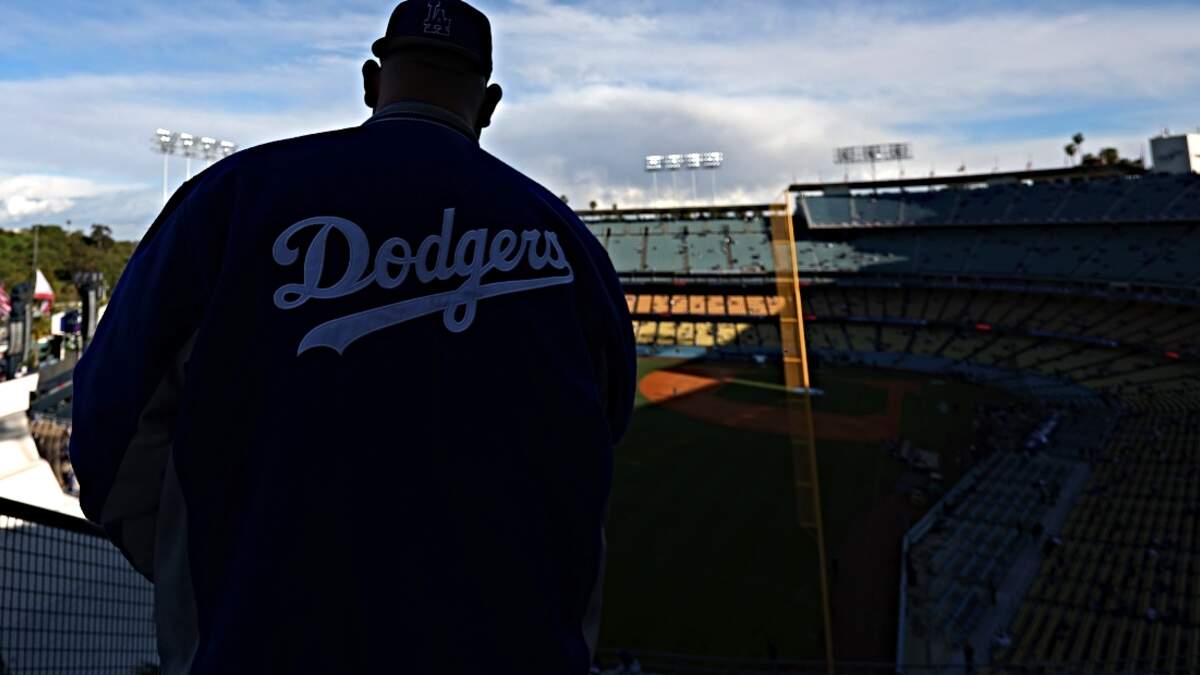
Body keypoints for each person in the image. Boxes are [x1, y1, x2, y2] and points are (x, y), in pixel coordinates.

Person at [67, 2, 636, 673]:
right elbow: (595, 447)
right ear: (489, 103)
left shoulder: (230, 198)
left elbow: (111, 425)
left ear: (371, 82)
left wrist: (210, 574)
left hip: (260, 643)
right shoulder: (566, 242)